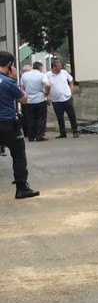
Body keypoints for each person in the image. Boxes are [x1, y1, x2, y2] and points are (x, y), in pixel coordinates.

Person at [0, 51, 39, 199]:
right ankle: (22, 188)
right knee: (18, 155)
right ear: (10, 65)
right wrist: (15, 79)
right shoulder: (8, 82)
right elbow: (23, 99)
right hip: (8, 124)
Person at [43, 58, 79, 138]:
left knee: (71, 115)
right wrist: (47, 96)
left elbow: (71, 79)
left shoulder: (64, 72)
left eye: (60, 66)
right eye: (58, 66)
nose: (60, 68)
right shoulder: (47, 75)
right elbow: (46, 85)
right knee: (60, 117)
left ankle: (75, 131)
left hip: (67, 97)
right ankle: (63, 132)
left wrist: (71, 88)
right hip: (56, 100)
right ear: (53, 67)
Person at [20, 61, 48, 142]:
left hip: (29, 100)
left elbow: (21, 87)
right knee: (41, 118)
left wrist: (25, 94)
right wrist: (46, 93)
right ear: (40, 68)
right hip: (40, 99)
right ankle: (39, 136)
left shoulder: (25, 75)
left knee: (31, 118)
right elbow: (48, 84)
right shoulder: (42, 75)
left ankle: (31, 136)